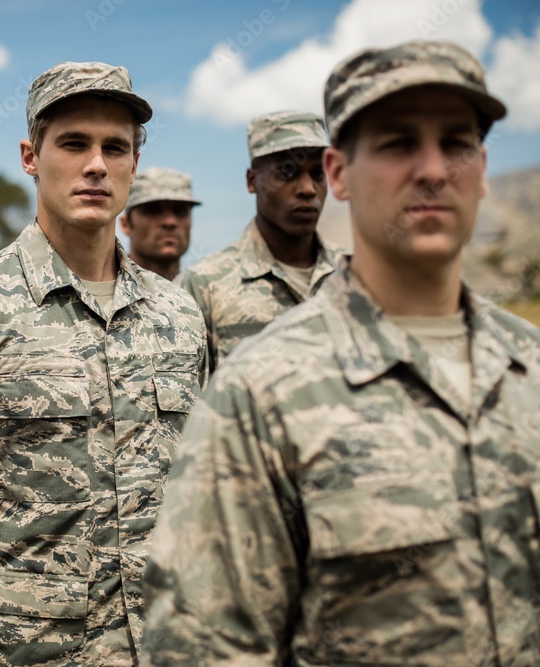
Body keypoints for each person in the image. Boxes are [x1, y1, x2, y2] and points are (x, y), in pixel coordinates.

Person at [142, 41, 540, 666]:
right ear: (341, 173)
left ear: (485, 167)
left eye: (457, 143)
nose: (433, 169)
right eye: (398, 143)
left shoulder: (532, 368)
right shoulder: (257, 394)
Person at [0, 62, 207, 666]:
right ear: (30, 156)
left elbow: (202, 501)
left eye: (115, 147)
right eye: (73, 144)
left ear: (133, 165)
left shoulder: (178, 315)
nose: (96, 165)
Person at [179, 111, 343, 372]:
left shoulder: (355, 274)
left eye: (317, 174)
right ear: (252, 181)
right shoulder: (204, 285)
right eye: (288, 172)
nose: (308, 189)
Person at [118, 167, 199, 281]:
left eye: (180, 211)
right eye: (153, 210)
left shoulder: (206, 292)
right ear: (126, 224)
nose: (170, 222)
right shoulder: (101, 290)